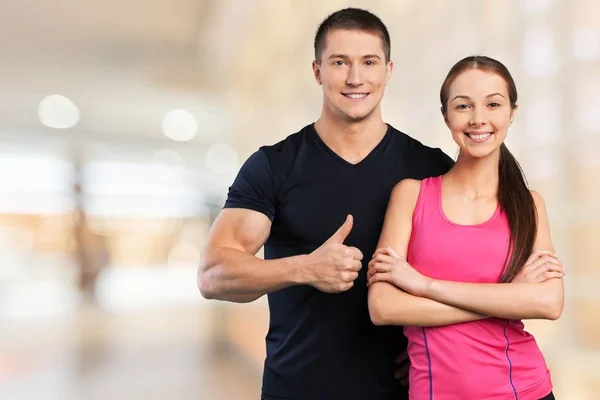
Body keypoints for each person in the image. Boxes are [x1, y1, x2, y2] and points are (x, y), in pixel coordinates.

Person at [197, 7, 458, 400]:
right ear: (318, 71)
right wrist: (304, 268)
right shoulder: (274, 165)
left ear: (388, 70)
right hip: (298, 389)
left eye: (368, 62)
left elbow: (470, 271)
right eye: (340, 62)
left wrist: (440, 345)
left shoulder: (431, 168)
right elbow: (213, 274)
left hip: (403, 392)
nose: (355, 77)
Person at [367, 55, 564, 400]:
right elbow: (383, 306)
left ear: (512, 112)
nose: (478, 119)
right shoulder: (411, 196)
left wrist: (423, 284)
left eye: (493, 104)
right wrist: (507, 298)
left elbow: (548, 302)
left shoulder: (529, 205)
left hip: (526, 390)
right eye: (463, 106)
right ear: (445, 115)